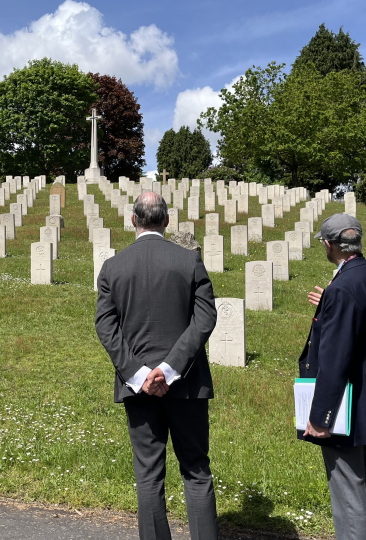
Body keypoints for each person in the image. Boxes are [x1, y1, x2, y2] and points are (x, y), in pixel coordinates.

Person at [95, 192, 218, 540]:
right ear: (167, 221)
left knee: (148, 476)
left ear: (133, 220)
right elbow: (205, 318)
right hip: (187, 384)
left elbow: (105, 326)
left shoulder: (112, 267)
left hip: (139, 389)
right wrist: (171, 368)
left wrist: (139, 374)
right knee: (195, 470)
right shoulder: (189, 261)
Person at [299, 213, 366, 540]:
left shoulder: (343, 288)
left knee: (349, 494)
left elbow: (335, 358)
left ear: (330, 245)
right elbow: (360, 324)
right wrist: (329, 302)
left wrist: (320, 417)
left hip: (346, 406)